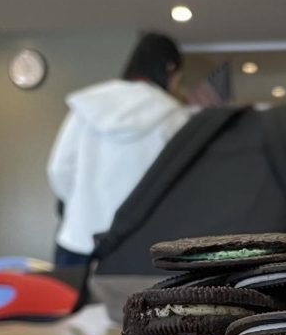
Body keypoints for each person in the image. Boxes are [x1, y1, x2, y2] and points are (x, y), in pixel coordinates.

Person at [48, 33, 191, 265]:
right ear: (170, 68)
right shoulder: (175, 117)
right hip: (144, 248)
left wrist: (83, 206)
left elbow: (58, 169)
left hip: (77, 239)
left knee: (72, 302)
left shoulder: (88, 104)